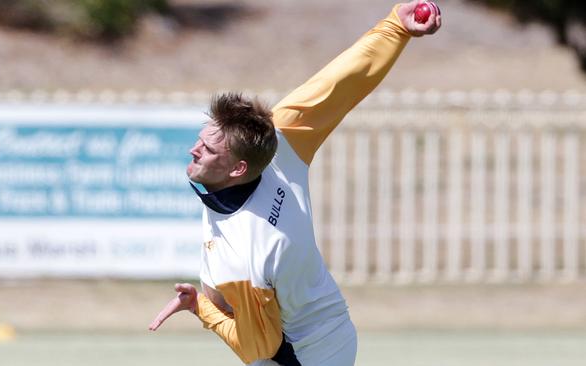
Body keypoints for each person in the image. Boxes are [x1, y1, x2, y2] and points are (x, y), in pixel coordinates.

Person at [149, 1, 441, 365]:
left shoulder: (247, 258)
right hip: (327, 326)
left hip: (304, 355)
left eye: (207, 149)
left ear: (238, 170)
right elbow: (339, 84)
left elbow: (259, 347)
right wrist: (395, 28)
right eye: (201, 138)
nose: (193, 151)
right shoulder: (278, 142)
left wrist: (201, 309)